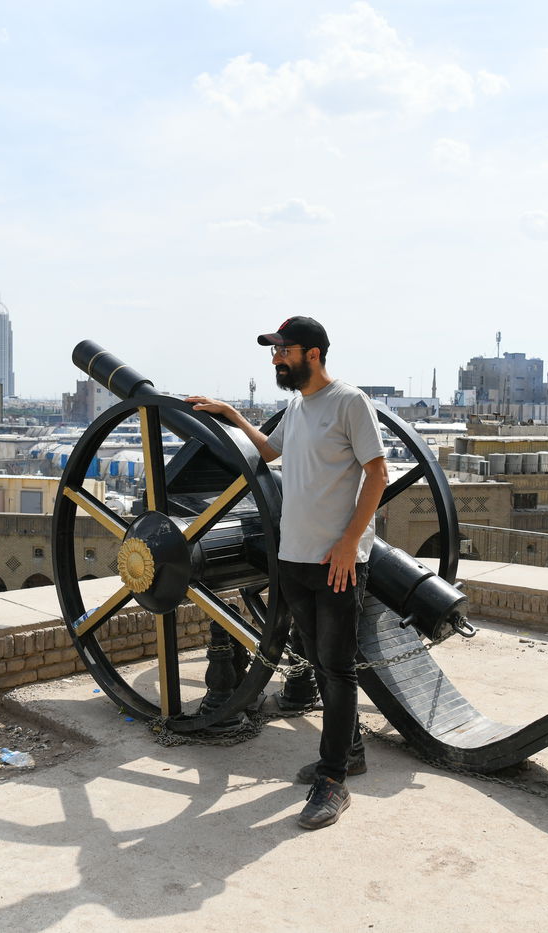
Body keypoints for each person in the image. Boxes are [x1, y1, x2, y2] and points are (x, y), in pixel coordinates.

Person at [188, 316, 386, 830]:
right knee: (321, 666)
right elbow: (272, 452)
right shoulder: (298, 408)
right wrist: (231, 414)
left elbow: (377, 474)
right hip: (294, 559)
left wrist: (349, 544)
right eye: (273, 352)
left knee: (337, 669)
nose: (276, 359)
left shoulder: (349, 402)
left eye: (284, 351)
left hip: (336, 562)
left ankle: (334, 781)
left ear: (313, 354)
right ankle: (349, 754)